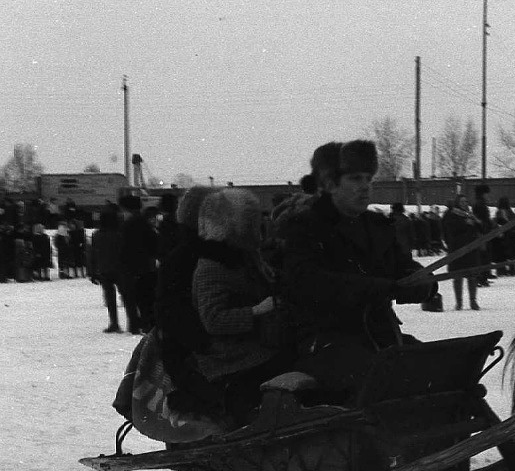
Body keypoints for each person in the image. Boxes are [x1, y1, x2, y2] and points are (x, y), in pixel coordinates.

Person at [280, 139, 437, 399]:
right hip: (323, 342)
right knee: (384, 381)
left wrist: (423, 283)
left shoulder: (377, 226)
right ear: (330, 183)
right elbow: (309, 282)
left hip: (379, 335)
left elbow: (403, 267)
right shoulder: (303, 227)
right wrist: (381, 288)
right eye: (355, 178)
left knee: (440, 369)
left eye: (368, 178)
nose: (365, 186)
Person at [191, 188, 294, 424]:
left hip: (255, 346)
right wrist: (257, 311)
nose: (258, 227)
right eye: (251, 222)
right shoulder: (213, 265)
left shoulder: (245, 257)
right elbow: (213, 320)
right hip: (231, 357)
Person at [153, 185, 223, 414]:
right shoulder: (195, 258)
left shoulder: (185, 255)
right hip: (198, 363)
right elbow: (175, 317)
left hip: (193, 359)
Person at [118, 195, 159, 334]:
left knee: (130, 298)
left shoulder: (126, 225)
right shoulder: (146, 224)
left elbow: (122, 248)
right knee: (146, 299)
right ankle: (146, 324)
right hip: (145, 266)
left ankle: (135, 325)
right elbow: (154, 245)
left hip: (130, 267)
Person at [441, 194, 482, 311]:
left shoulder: (470, 214)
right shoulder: (451, 215)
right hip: (457, 249)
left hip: (471, 249)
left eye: (466, 201)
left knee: (472, 276)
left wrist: (477, 222)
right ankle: (459, 302)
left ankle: (473, 301)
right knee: (458, 276)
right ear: (457, 203)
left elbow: (480, 228)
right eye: (462, 202)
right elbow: (449, 230)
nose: (464, 204)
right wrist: (465, 224)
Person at [89, 210, 124, 332]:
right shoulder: (120, 233)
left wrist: (92, 272)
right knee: (127, 296)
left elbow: (93, 254)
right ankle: (135, 322)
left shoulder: (97, 235)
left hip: (104, 269)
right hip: (121, 269)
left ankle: (114, 323)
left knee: (110, 298)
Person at [472, 184, 495, 286]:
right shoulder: (480, 204)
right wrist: (487, 226)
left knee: (484, 255)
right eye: (486, 193)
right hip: (482, 233)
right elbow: (481, 220)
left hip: (483, 231)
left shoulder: (480, 203)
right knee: (483, 255)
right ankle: (481, 277)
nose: (488, 196)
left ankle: (483, 276)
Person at [494, 196, 515, 276]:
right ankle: (508, 270)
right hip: (507, 234)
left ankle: (507, 270)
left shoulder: (502, 211)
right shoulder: (504, 211)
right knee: (508, 253)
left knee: (508, 253)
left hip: (508, 234)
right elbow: (506, 221)